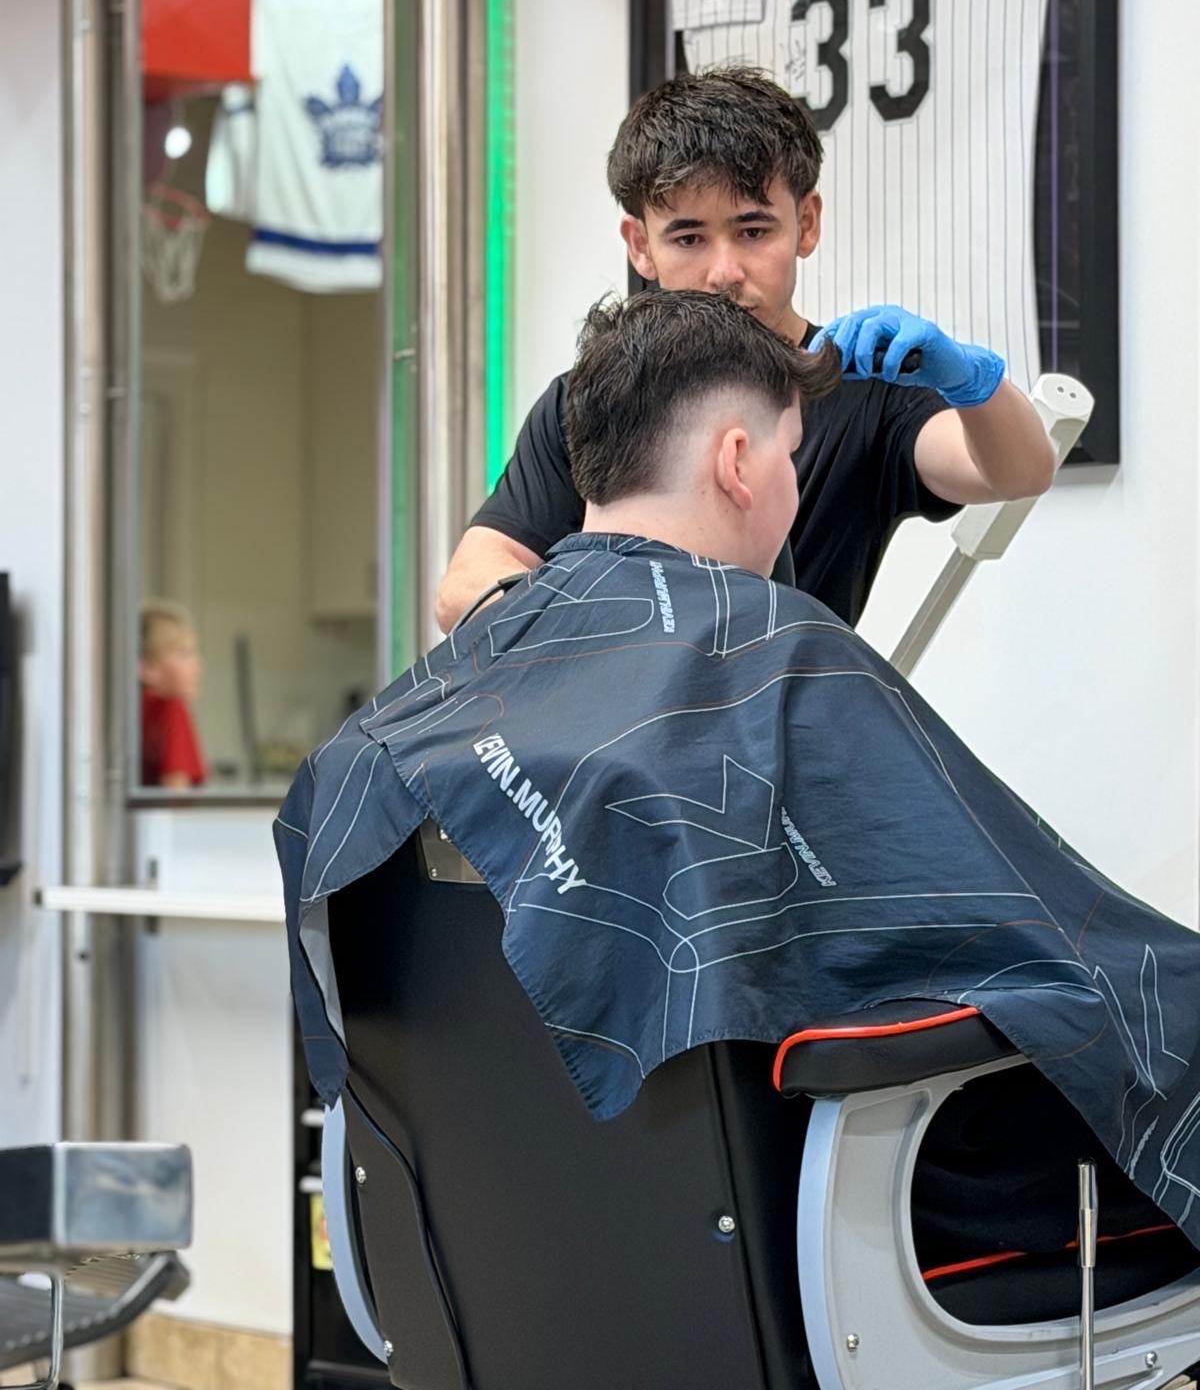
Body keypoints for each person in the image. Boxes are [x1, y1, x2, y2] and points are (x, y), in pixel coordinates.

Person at [278, 288, 1200, 1255]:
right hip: (841, 1234)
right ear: (737, 462)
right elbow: (1044, 949)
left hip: (517, 1259)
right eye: (794, 453)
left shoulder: (418, 720)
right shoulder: (787, 652)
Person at [436, 65, 1056, 633]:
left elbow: (1020, 471)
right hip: (610, 745)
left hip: (781, 739)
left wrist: (972, 384)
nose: (724, 272)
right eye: (688, 237)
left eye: (753, 230)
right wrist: (617, 651)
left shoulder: (864, 390)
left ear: (806, 223)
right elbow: (465, 587)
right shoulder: (591, 400)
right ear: (640, 244)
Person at [139, 601, 207, 790]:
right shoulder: (172, 710)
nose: (198, 665)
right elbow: (176, 793)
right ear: (147, 667)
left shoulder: (132, 713)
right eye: (184, 654)